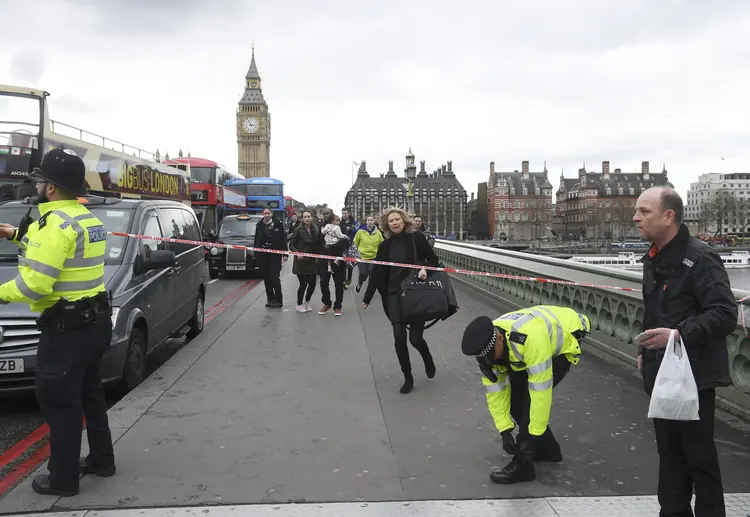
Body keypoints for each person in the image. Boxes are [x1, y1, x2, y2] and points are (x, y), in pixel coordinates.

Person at [0, 148, 115, 496]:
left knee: (60, 403)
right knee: (90, 394)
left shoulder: (53, 226)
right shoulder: (86, 218)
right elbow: (63, 250)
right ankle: (101, 460)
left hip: (65, 331)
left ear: (50, 188)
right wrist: (15, 235)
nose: (35, 183)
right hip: (94, 323)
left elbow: (35, 283)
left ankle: (63, 479)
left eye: (39, 179)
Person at [634, 187, 737, 517]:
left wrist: (677, 335)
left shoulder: (701, 257)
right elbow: (656, 310)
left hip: (694, 376)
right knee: (670, 457)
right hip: (661, 372)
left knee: (698, 459)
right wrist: (645, 352)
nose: (635, 217)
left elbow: (724, 313)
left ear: (668, 217)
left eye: (644, 211)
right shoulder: (655, 257)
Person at [461, 306, 590, 485]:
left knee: (529, 401)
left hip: (565, 337)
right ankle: (549, 451)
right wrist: (504, 430)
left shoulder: (530, 339)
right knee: (516, 401)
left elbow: (540, 395)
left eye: (490, 355)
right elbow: (495, 392)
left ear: (499, 338)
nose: (487, 361)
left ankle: (524, 466)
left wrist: (528, 441)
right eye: (481, 358)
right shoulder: (489, 341)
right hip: (528, 344)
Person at [362, 208, 438, 394]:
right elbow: (378, 273)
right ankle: (408, 377)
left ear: (404, 221)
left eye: (397, 219)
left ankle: (427, 358)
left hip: (414, 293)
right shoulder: (385, 246)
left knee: (415, 339)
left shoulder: (417, 238)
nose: (394, 223)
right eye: (391, 221)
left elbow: (434, 260)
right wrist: (368, 297)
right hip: (393, 295)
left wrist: (425, 270)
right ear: (387, 225)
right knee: (399, 338)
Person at [253, 207, 288, 308]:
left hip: (275, 255)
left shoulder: (278, 224)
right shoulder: (259, 225)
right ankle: (270, 299)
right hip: (263, 255)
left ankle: (278, 300)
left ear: (272, 214)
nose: (267, 215)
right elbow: (256, 240)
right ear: (262, 214)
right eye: (265, 213)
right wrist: (257, 254)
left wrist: (285, 254)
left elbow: (283, 239)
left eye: (268, 213)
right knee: (267, 278)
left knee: (274, 277)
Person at [317, 212, 348, 316]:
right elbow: (318, 242)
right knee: (323, 282)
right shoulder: (322, 228)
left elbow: (345, 242)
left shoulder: (341, 227)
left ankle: (338, 306)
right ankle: (327, 303)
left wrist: (332, 247)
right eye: (324, 214)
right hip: (324, 259)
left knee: (339, 283)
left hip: (337, 259)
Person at [289, 209, 318, 313]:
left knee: (313, 284)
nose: (307, 219)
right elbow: (291, 245)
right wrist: (297, 253)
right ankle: (299, 304)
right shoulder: (297, 230)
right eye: (305, 217)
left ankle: (307, 302)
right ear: (302, 218)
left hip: (311, 261)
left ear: (312, 217)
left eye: (308, 216)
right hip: (300, 261)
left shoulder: (315, 230)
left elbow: (317, 244)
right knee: (303, 284)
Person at [353, 215, 383, 293]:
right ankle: (360, 283)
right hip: (362, 257)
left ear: (374, 222)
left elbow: (382, 244)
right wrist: (355, 254)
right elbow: (355, 243)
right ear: (366, 222)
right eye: (368, 220)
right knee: (363, 274)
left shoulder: (378, 233)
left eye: (371, 220)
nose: (370, 222)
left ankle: (369, 290)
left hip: (373, 257)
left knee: (372, 273)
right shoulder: (360, 232)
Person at [340, 208, 359, 288]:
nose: (344, 215)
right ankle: (344, 281)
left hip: (351, 245)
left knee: (350, 264)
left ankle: (349, 278)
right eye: (343, 213)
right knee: (343, 264)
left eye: (345, 213)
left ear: (348, 213)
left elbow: (358, 229)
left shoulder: (354, 222)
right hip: (343, 245)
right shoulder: (340, 222)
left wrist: (350, 229)